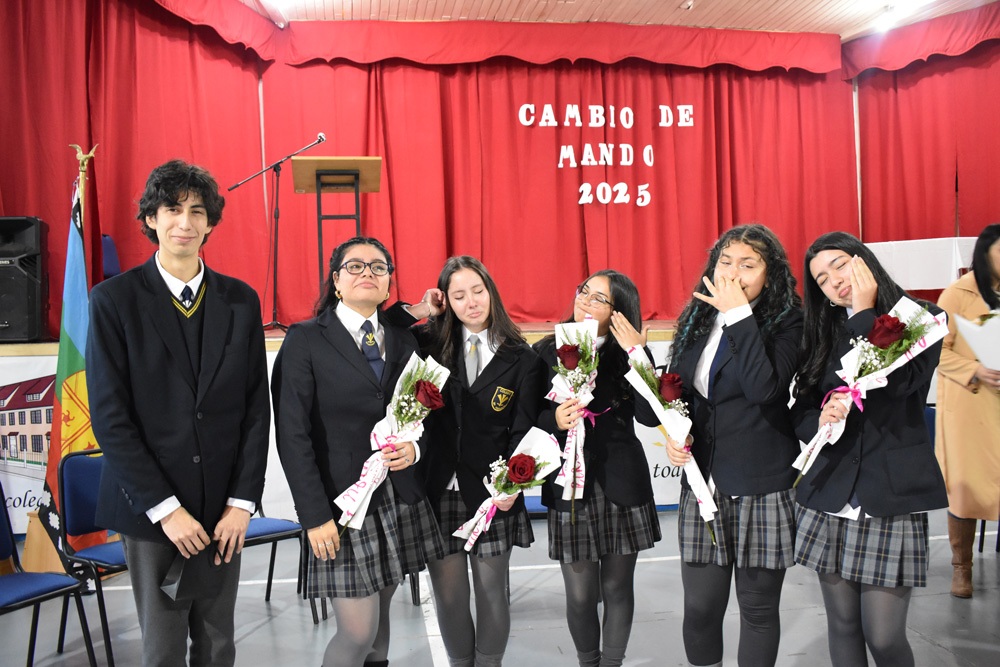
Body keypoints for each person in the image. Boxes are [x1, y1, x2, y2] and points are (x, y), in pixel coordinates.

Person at [87, 159, 270, 666]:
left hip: (222, 511)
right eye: (172, 209)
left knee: (218, 646)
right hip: (152, 513)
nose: (184, 222)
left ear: (211, 223)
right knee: (163, 651)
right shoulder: (113, 300)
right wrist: (167, 510)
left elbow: (256, 409)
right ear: (151, 218)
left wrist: (242, 502)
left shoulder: (240, 300)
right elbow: (111, 419)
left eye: (197, 211)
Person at [272, 236, 434, 667]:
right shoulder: (305, 339)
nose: (368, 273)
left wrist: (414, 449)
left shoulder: (403, 340)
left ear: (388, 284)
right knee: (357, 632)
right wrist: (314, 516)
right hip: (342, 505)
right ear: (336, 281)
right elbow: (292, 434)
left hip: (396, 498)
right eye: (355, 266)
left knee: (380, 629)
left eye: (378, 267)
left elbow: (423, 416)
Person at [793, 231, 948, 667]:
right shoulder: (822, 332)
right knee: (843, 626)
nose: (834, 281)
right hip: (831, 491)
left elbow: (901, 385)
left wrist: (864, 312)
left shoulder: (921, 317)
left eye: (839, 265)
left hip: (889, 494)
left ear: (862, 259)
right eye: (821, 279)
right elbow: (801, 406)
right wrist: (818, 418)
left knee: (883, 636)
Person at [665, 224, 802, 667]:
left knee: (757, 610)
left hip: (762, 482)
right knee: (700, 609)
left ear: (769, 273)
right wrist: (676, 433)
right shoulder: (698, 317)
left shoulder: (788, 321)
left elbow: (764, 389)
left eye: (748, 264)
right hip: (702, 481)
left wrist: (740, 316)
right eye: (725, 261)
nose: (733, 272)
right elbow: (682, 392)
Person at [405, 256, 546, 667]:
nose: (471, 302)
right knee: (449, 597)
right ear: (446, 301)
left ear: (491, 292)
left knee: (491, 592)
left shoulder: (521, 357)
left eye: (478, 291)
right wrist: (421, 309)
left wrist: (512, 485)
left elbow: (523, 430)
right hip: (439, 491)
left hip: (492, 494)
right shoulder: (426, 344)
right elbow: (387, 328)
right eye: (459, 295)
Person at [534, 270, 660, 667]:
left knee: (618, 588)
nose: (586, 301)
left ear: (619, 311)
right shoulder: (546, 350)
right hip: (569, 486)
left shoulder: (628, 353)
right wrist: (554, 419)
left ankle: (612, 663)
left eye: (600, 298)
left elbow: (650, 416)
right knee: (580, 594)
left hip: (622, 482)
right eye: (584, 291)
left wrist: (639, 354)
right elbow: (527, 418)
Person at [934, 223, 1000, 598]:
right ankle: (962, 568)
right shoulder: (957, 294)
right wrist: (975, 368)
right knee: (966, 488)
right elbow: (935, 351)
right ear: (985, 254)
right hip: (970, 406)